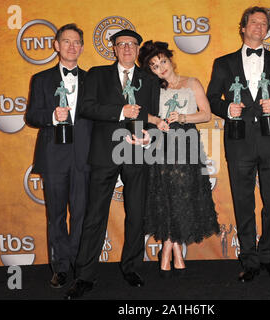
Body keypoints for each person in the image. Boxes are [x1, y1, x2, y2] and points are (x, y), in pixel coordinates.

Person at [207, 6, 270, 282]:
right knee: (243, 201)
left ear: (267, 29)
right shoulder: (223, 63)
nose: (259, 27)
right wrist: (226, 109)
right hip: (239, 142)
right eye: (254, 23)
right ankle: (249, 259)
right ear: (243, 27)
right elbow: (212, 98)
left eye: (264, 24)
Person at [64, 29, 159, 299]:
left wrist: (151, 135)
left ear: (139, 49)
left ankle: (131, 267)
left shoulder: (149, 80)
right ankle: (84, 275)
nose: (127, 48)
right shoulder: (96, 74)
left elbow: (154, 116)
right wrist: (120, 111)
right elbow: (85, 107)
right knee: (94, 215)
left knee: (137, 213)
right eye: (121, 44)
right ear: (114, 49)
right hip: (105, 152)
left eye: (132, 44)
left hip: (137, 153)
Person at [137, 40, 220, 277]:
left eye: (162, 61)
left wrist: (182, 117)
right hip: (161, 145)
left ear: (171, 60)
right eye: (153, 66)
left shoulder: (192, 82)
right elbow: (145, 114)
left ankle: (167, 249)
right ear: (150, 71)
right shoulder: (154, 89)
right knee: (166, 197)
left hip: (187, 145)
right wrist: (158, 121)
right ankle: (175, 254)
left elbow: (206, 114)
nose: (160, 67)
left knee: (181, 197)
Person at [25, 23, 92, 288]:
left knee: (81, 214)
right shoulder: (40, 79)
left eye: (77, 42)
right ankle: (60, 267)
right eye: (66, 41)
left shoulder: (92, 80)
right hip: (53, 157)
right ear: (56, 45)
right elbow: (31, 115)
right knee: (55, 215)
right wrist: (52, 116)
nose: (72, 46)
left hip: (84, 157)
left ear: (82, 47)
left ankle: (78, 263)